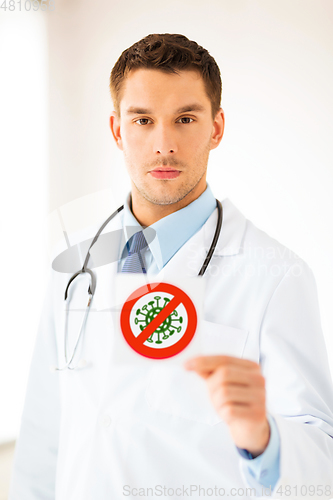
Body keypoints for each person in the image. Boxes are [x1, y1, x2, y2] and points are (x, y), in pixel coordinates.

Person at [9, 33, 333, 500]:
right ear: (118, 130)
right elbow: (43, 440)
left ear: (216, 128)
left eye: (185, 119)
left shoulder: (276, 276)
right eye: (143, 120)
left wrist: (264, 438)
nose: (163, 145)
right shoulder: (74, 266)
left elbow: (321, 463)